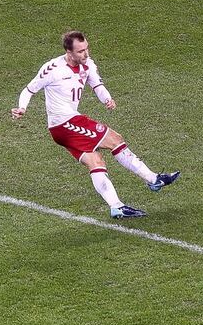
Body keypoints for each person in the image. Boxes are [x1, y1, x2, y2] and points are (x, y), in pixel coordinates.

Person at [11, 31, 180, 218]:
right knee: (115, 139)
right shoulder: (52, 69)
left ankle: (116, 206)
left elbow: (97, 85)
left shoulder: (87, 64)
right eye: (80, 51)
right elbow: (29, 90)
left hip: (65, 126)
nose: (85, 54)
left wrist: (107, 99)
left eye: (86, 49)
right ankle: (153, 179)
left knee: (95, 161)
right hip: (64, 123)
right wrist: (21, 108)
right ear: (69, 51)